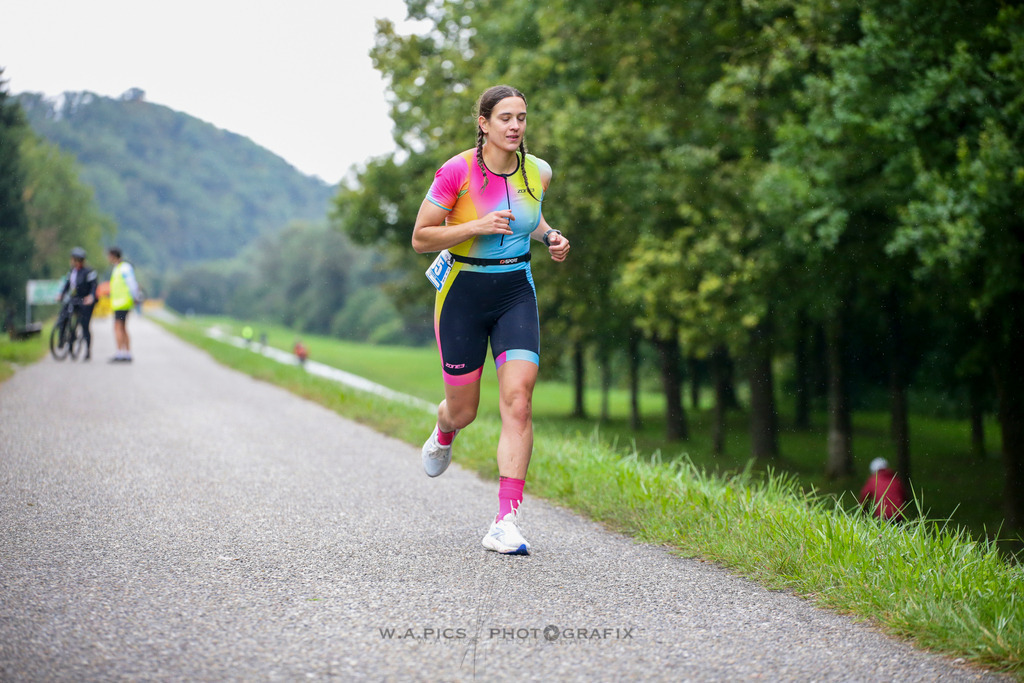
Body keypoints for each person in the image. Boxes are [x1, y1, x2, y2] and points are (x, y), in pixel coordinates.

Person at [412, 85, 571, 555]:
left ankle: (506, 520)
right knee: (464, 410)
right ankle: (445, 429)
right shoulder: (457, 171)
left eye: (521, 117)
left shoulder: (538, 171)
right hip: (462, 291)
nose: (515, 126)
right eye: (505, 117)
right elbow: (421, 237)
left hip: (515, 291)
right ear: (483, 123)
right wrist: (476, 226)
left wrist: (551, 236)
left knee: (519, 401)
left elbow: (530, 219)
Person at [58, 247, 98, 360]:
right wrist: (61, 294)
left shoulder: (89, 272)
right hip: (75, 298)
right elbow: (67, 285)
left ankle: (88, 350)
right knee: (63, 316)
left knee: (84, 325)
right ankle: (62, 339)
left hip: (86, 300)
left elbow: (94, 286)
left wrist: (91, 296)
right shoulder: (72, 271)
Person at [106, 246, 142, 363]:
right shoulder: (118, 268)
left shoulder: (124, 268)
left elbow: (131, 284)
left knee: (118, 327)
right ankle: (127, 353)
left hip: (122, 303)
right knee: (123, 327)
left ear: (113, 256)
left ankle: (120, 353)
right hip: (120, 303)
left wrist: (135, 297)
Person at [859, 458, 909, 522]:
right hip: (898, 513)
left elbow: (864, 496)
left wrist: (862, 509)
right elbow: (904, 495)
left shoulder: (873, 480)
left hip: (882, 514)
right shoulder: (895, 479)